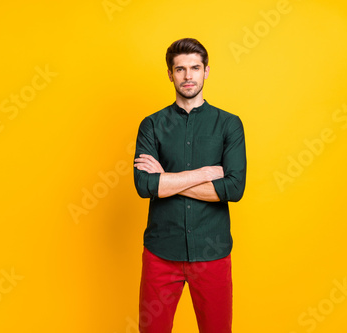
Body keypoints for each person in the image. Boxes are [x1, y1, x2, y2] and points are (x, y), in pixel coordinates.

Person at [133, 38, 247, 333]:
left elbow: (233, 189)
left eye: (195, 68)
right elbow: (145, 185)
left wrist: (166, 179)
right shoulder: (152, 125)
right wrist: (205, 173)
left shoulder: (229, 124)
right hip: (161, 253)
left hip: (213, 254)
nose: (188, 76)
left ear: (206, 71)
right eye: (180, 69)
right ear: (170, 74)